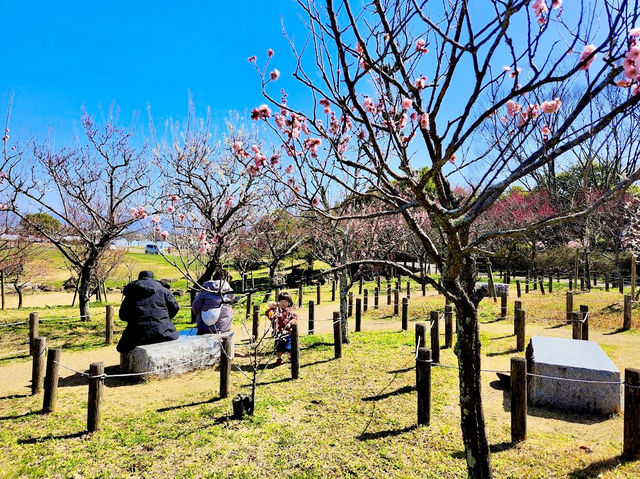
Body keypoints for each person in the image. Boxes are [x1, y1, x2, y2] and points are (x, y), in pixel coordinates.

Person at [116, 271, 180, 353]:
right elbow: (175, 308)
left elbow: (123, 315)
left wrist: (135, 320)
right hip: (164, 332)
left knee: (122, 348)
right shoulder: (164, 291)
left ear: (139, 278)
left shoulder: (131, 293)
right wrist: (164, 318)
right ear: (153, 278)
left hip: (137, 335)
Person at [191, 270, 235, 335]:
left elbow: (195, 306)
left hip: (204, 327)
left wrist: (199, 316)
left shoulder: (205, 289)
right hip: (224, 327)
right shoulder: (230, 291)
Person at [265, 291, 298, 366]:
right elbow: (268, 314)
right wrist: (271, 307)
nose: (283, 303)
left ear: (289, 302)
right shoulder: (276, 310)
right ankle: (279, 359)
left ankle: (291, 357)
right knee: (278, 348)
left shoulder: (290, 310)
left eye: (285, 301)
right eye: (281, 301)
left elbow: (295, 318)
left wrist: (291, 323)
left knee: (289, 348)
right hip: (278, 333)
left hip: (288, 333)